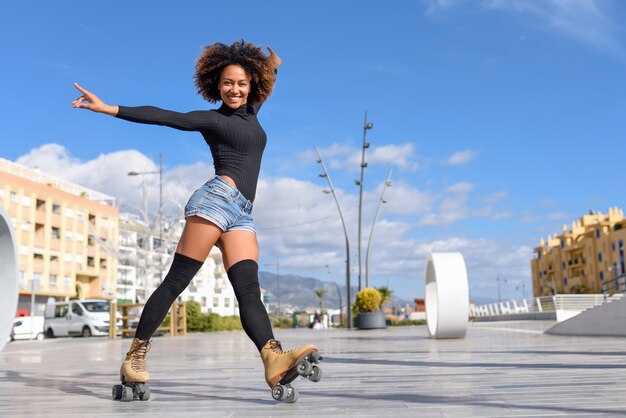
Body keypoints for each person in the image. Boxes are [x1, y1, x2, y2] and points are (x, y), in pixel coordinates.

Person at [72, 40, 319, 395]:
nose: (235, 90)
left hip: (242, 214)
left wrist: (273, 67)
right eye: (228, 83)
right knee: (177, 281)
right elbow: (166, 117)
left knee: (249, 288)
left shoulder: (252, 113)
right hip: (216, 201)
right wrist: (110, 108)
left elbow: (266, 82)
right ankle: (135, 357)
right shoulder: (212, 120)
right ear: (216, 85)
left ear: (252, 86)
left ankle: (273, 358)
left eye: (242, 83)